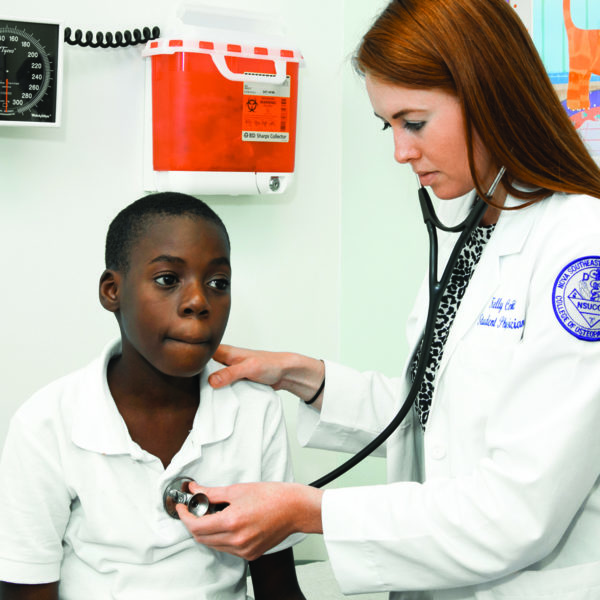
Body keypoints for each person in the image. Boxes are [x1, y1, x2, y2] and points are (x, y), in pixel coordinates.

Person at [173, 1, 600, 599]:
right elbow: (436, 416)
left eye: (415, 122)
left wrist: (309, 512)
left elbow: (518, 511)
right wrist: (303, 376)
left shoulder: (581, 248)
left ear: (489, 95)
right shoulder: (476, 225)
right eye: (388, 126)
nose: (400, 152)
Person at [0, 192, 306, 600]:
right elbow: (27, 588)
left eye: (218, 283)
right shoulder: (46, 423)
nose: (198, 301)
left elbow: (278, 586)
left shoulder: (256, 409)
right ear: (112, 291)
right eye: (167, 279)